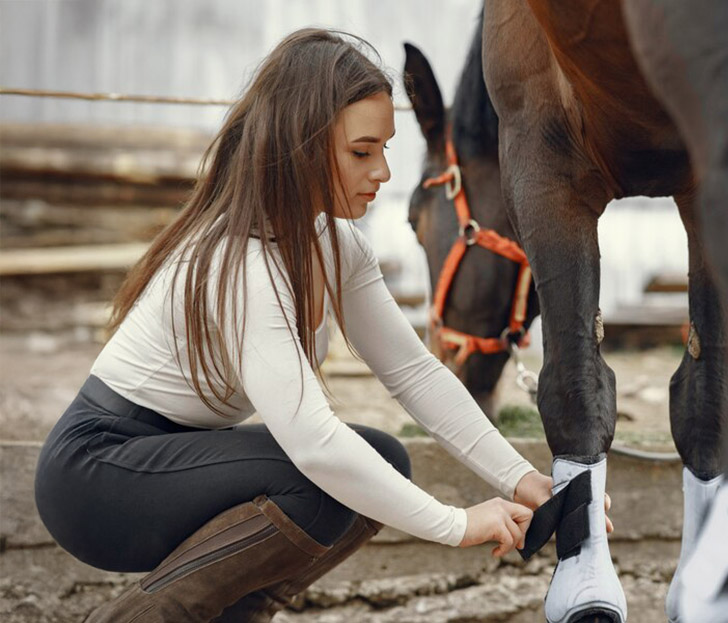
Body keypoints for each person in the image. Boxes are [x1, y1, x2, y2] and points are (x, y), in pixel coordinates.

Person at [33, 28, 570, 622]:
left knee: (380, 460)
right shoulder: (242, 261)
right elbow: (313, 443)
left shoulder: (334, 246)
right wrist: (456, 524)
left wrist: (522, 479)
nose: (384, 172)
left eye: (385, 149)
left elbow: (415, 374)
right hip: (97, 475)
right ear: (304, 145)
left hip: (172, 457)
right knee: (321, 478)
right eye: (362, 152)